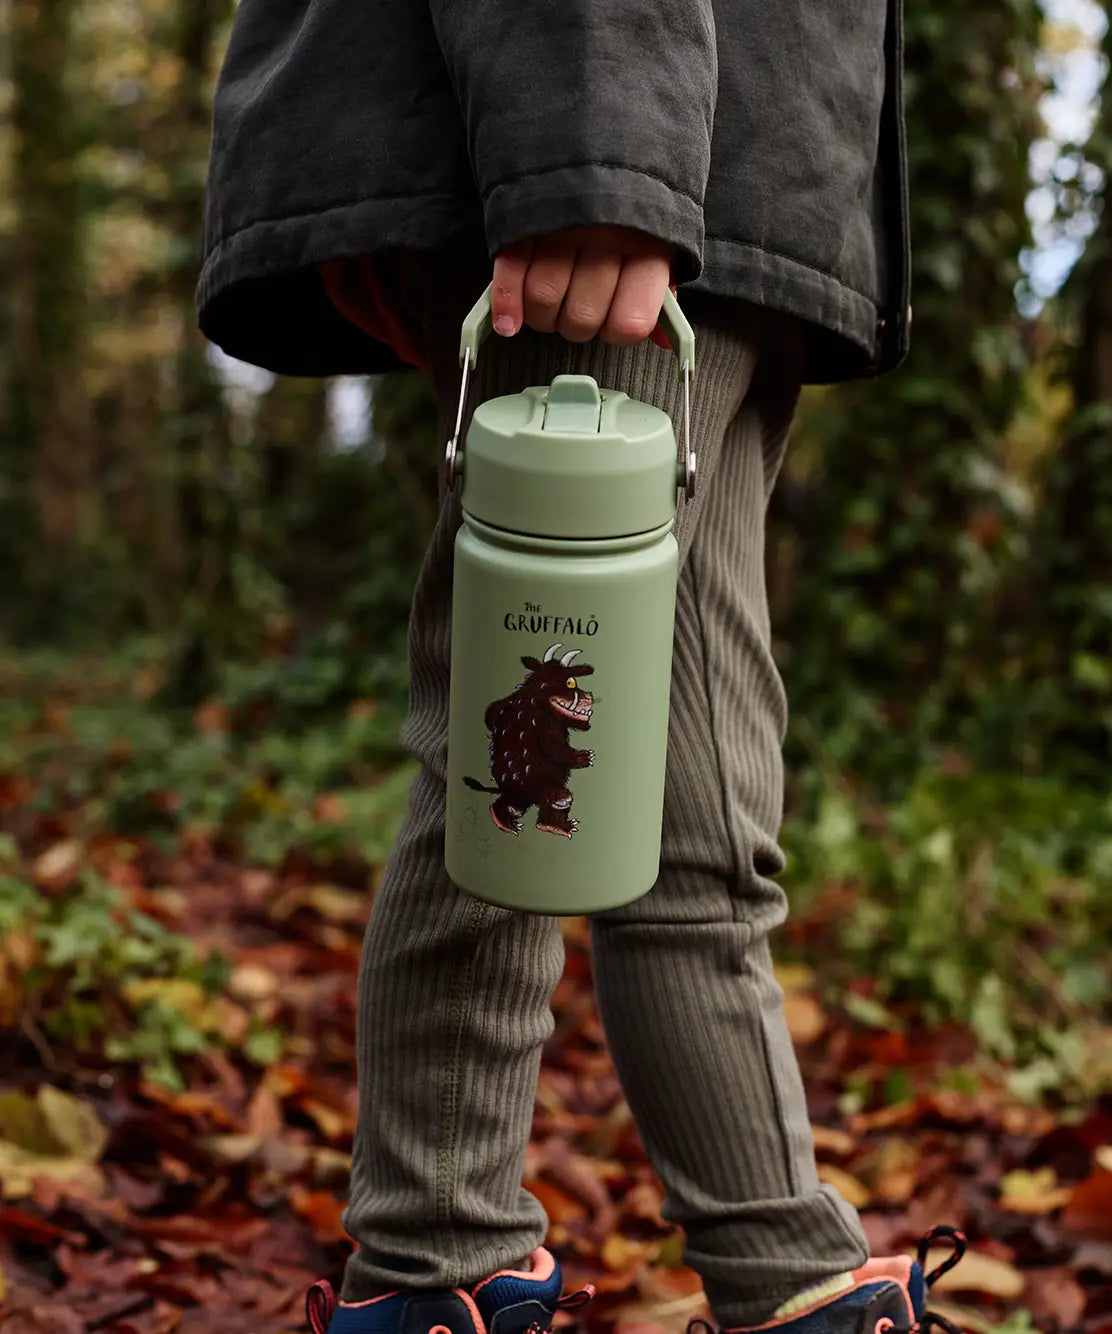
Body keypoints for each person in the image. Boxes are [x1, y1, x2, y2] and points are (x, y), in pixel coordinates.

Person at [197, 3, 967, 1333]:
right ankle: (436, 1265)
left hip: (725, 180)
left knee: (694, 790)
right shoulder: (609, 165)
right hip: (629, 161)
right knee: (523, 790)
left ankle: (781, 1278)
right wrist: (598, 155)